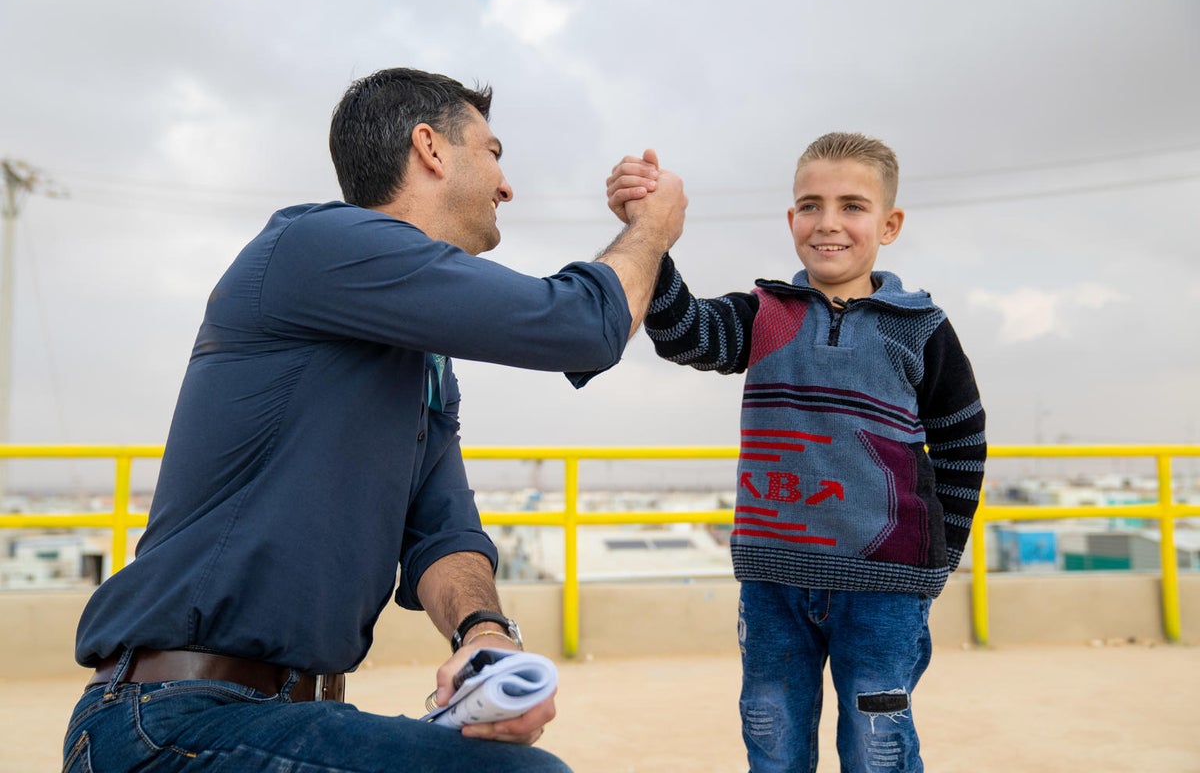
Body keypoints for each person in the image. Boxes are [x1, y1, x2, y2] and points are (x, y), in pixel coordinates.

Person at [63, 67, 687, 772]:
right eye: (494, 153)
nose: (506, 186)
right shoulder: (317, 246)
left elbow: (441, 528)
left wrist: (483, 633)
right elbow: (581, 326)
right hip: (169, 721)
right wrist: (653, 228)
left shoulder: (423, 357)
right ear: (430, 148)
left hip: (282, 719)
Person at [607, 133, 986, 772]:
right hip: (772, 582)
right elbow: (682, 334)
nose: (828, 222)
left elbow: (962, 441)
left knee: (878, 747)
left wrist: (940, 560)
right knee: (772, 739)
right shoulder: (767, 315)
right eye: (810, 205)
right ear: (791, 221)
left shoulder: (920, 327)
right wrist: (652, 236)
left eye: (852, 206)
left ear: (889, 224)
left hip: (887, 588)